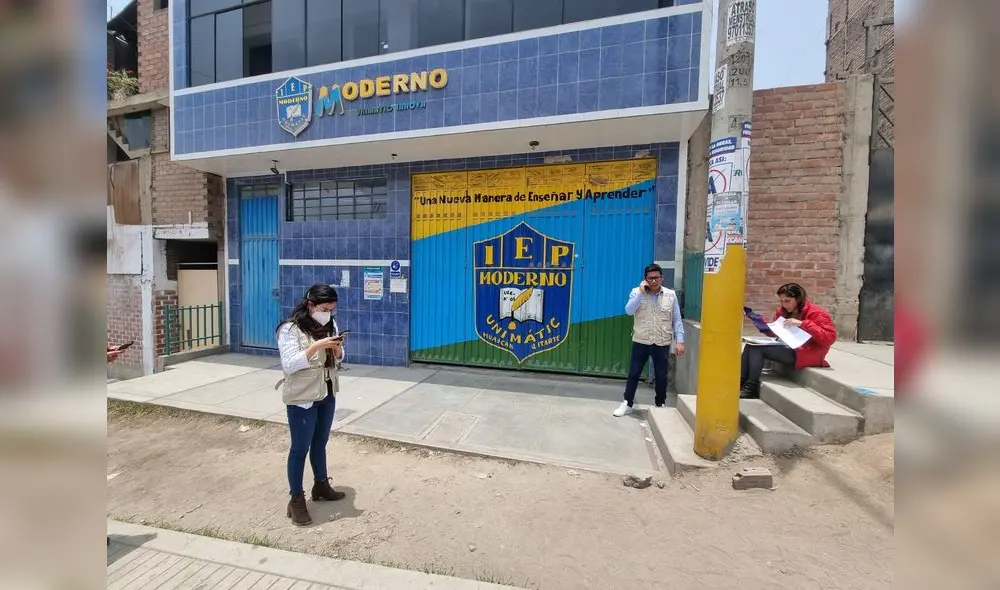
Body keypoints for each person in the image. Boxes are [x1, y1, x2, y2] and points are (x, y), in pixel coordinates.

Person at [275, 284, 348, 526]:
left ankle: (321, 486)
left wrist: (337, 349)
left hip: (326, 393)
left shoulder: (331, 325)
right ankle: (296, 500)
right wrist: (317, 345)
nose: (328, 313)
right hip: (303, 398)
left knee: (320, 443)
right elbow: (289, 364)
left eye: (332, 309)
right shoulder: (290, 329)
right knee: (299, 449)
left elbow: (340, 357)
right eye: (325, 308)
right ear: (310, 304)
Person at [740, 283, 837, 399]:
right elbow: (776, 332)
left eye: (787, 301)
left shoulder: (816, 313)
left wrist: (803, 324)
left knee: (758, 349)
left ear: (798, 299)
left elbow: (829, 338)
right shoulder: (782, 311)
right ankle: (740, 382)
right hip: (788, 347)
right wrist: (759, 322)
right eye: (781, 301)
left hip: (809, 353)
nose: (784, 304)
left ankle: (750, 388)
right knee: (751, 345)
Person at [613, 263, 685, 417]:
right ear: (645, 279)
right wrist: (640, 292)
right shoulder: (636, 293)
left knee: (661, 375)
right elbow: (628, 311)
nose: (653, 281)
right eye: (650, 278)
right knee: (634, 373)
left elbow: (677, 320)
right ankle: (627, 403)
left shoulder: (670, 295)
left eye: (656, 278)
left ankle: (660, 404)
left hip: (662, 342)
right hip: (641, 340)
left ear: (662, 278)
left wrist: (680, 341)